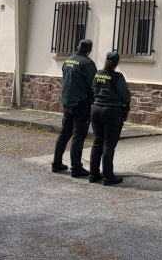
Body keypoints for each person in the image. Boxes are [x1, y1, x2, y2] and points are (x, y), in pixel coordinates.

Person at [52, 39, 97, 177]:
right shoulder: (87, 63)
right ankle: (76, 167)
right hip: (80, 104)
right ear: (89, 50)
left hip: (67, 101)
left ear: (78, 47)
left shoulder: (68, 61)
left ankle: (56, 163)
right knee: (79, 134)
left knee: (65, 132)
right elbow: (93, 85)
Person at [89, 51, 131, 185]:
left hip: (96, 110)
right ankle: (108, 176)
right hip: (112, 112)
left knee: (97, 143)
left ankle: (93, 174)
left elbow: (93, 91)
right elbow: (125, 96)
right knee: (108, 145)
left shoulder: (98, 74)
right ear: (117, 63)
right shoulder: (118, 77)